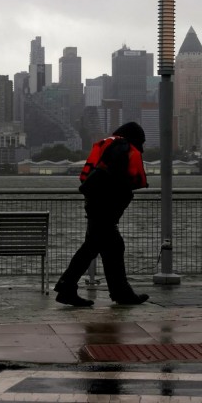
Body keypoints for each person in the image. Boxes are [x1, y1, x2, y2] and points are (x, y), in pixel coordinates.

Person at [54, 121, 150, 306]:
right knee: (97, 248)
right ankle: (68, 288)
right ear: (134, 138)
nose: (142, 148)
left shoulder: (112, 145)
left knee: (108, 248)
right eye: (141, 142)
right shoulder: (121, 147)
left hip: (97, 206)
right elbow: (110, 175)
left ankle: (119, 293)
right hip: (104, 209)